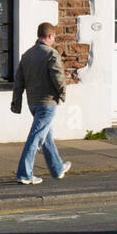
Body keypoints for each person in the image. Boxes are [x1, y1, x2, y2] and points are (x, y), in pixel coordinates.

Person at [10, 21, 72, 184]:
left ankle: (58, 169)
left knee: (46, 137)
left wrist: (16, 103)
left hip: (33, 103)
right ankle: (25, 174)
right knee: (36, 137)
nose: (54, 40)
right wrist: (62, 94)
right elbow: (58, 78)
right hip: (48, 103)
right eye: (54, 37)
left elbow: (18, 82)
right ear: (50, 36)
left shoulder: (27, 55)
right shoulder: (51, 54)